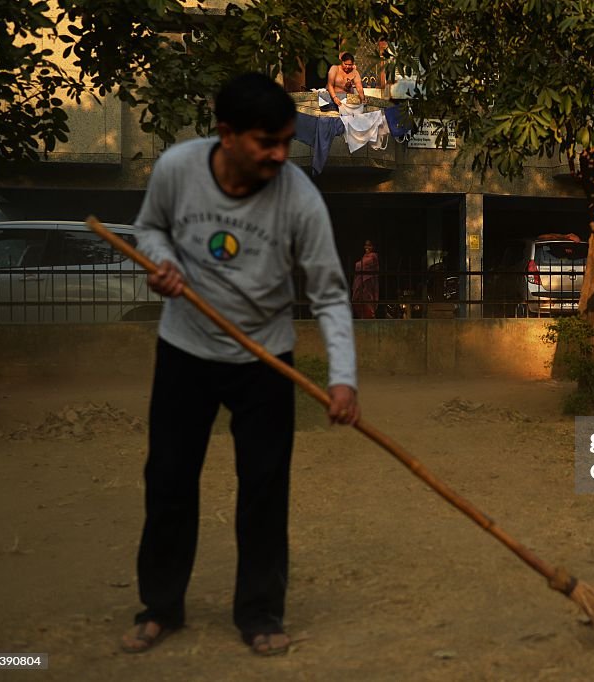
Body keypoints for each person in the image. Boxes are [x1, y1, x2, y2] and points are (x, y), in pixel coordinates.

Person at [119, 73, 359, 657]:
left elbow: (328, 293)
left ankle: (259, 613)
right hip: (185, 350)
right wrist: (161, 262)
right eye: (268, 143)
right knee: (170, 480)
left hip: (264, 360)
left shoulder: (298, 195)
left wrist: (343, 377)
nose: (282, 154)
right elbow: (148, 230)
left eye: (286, 141)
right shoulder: (178, 169)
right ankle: (161, 607)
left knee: (263, 490)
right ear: (226, 134)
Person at [352, 239, 379, 319]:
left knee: (368, 299)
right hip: (361, 282)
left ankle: (370, 315)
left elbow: (360, 265)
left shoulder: (373, 256)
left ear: (373, 247)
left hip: (369, 282)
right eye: (366, 245)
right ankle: (363, 316)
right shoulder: (365, 256)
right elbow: (359, 266)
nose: (367, 247)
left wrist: (358, 265)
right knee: (358, 299)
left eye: (369, 245)